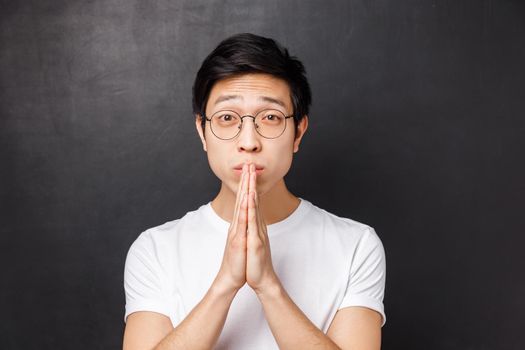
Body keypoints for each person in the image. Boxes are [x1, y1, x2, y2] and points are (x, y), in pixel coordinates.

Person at [122, 33, 386, 350]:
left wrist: (267, 284)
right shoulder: (155, 249)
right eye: (227, 118)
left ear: (298, 131)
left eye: (271, 118)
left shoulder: (356, 244)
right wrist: (226, 284)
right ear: (202, 131)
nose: (248, 141)